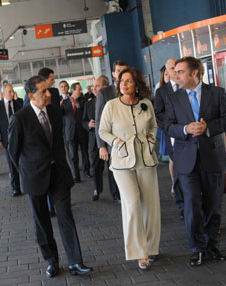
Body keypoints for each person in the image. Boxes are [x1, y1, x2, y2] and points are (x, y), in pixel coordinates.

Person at [8, 75, 92, 278]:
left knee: (65, 216)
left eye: (48, 90)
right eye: (43, 92)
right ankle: (52, 261)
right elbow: (13, 152)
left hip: (58, 174)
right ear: (30, 95)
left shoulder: (54, 111)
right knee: (42, 221)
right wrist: (26, 173)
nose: (48, 94)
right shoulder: (19, 118)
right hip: (34, 176)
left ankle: (75, 262)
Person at [163, 56, 226, 266]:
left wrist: (208, 128)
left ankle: (212, 246)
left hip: (212, 157)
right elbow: (167, 126)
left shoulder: (217, 93)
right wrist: (186, 129)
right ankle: (196, 249)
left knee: (214, 206)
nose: (175, 76)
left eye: (180, 72)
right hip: (186, 160)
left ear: (194, 73)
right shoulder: (173, 98)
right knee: (192, 206)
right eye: (175, 72)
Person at [98, 67, 160, 270]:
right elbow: (102, 130)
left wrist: (151, 138)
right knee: (132, 203)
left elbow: (153, 126)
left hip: (146, 159)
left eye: (128, 81)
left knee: (150, 206)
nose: (123, 84)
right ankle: (139, 252)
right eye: (121, 81)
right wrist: (116, 141)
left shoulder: (146, 104)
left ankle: (151, 248)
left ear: (136, 85)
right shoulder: (111, 105)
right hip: (122, 162)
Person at [154, 58, 184, 220]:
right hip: (173, 136)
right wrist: (173, 123)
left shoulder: (188, 86)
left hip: (191, 135)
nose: (175, 71)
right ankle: (182, 205)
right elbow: (159, 113)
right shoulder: (162, 92)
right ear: (167, 71)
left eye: (177, 67)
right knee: (178, 171)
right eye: (172, 68)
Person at [95, 60, 128, 203]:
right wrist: (101, 145)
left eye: (124, 70)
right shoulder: (105, 93)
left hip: (129, 139)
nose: (121, 74)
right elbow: (99, 121)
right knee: (113, 169)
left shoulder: (133, 88)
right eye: (118, 71)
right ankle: (117, 195)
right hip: (111, 140)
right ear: (113, 73)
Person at [83, 75, 120, 202]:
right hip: (95, 140)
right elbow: (83, 121)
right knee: (96, 167)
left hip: (110, 139)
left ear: (105, 86)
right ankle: (97, 189)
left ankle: (115, 194)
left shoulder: (112, 98)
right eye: (93, 86)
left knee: (111, 168)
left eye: (97, 86)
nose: (94, 88)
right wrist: (88, 124)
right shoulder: (89, 104)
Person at [0, 83, 22, 197]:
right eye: (9, 92)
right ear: (4, 93)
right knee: (11, 163)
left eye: (13, 91)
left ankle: (24, 184)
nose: (12, 93)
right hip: (7, 138)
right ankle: (15, 188)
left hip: (20, 136)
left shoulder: (18, 102)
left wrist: (16, 99)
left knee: (22, 161)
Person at [61, 82, 90, 182]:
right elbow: (61, 115)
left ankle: (86, 172)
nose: (81, 91)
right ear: (73, 90)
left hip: (81, 130)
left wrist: (77, 105)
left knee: (85, 153)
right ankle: (76, 176)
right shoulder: (64, 102)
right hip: (70, 131)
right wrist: (59, 106)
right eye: (79, 89)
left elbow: (85, 114)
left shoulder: (83, 101)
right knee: (73, 155)